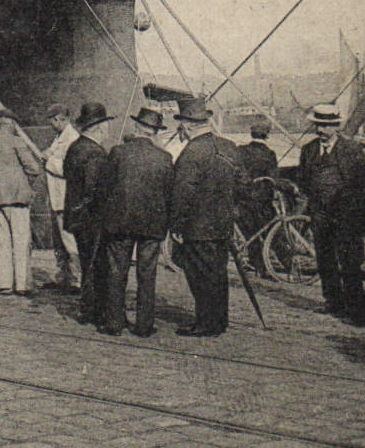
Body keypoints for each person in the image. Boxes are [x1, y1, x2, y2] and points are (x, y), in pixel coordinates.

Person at [170, 97, 244, 337]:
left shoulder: (191, 152)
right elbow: (242, 183)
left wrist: (176, 225)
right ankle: (219, 320)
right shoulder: (229, 146)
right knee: (218, 273)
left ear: (187, 125)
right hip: (223, 224)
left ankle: (205, 323)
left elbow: (182, 192)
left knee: (199, 276)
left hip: (197, 227)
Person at [296, 103, 365, 325]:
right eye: (318, 125)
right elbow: (303, 178)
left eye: (326, 126)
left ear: (335, 127)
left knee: (350, 260)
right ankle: (333, 302)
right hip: (320, 214)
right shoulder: (309, 150)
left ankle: (353, 306)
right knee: (325, 259)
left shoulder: (351, 151)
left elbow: (364, 184)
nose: (321, 130)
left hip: (347, 217)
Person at [99, 107, 172, 336]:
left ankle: (114, 322)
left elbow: (105, 188)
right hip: (152, 225)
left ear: (136, 127)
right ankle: (144, 325)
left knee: (116, 271)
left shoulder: (118, 153)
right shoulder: (164, 158)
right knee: (147, 274)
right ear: (155, 132)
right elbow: (169, 194)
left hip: (120, 223)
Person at [62, 103, 114, 326]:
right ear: (99, 128)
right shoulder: (95, 153)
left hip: (76, 217)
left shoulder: (75, 147)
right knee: (96, 265)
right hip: (91, 218)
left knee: (86, 263)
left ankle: (87, 308)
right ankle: (93, 310)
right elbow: (94, 190)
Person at [0, 108, 44, 297]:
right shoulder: (17, 142)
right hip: (17, 198)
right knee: (20, 240)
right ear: (10, 123)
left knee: (1, 242)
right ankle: (22, 285)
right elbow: (34, 168)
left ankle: (5, 284)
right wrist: (26, 185)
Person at [42, 103, 80, 292]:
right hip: (57, 198)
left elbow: (69, 168)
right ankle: (63, 275)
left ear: (59, 118)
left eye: (52, 120)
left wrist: (48, 159)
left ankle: (76, 278)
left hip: (65, 197)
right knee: (59, 240)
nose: (51, 124)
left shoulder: (72, 139)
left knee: (69, 239)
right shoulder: (60, 138)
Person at [236, 120, 280, 277]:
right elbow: (274, 178)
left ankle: (257, 265)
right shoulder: (269, 154)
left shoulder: (240, 150)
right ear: (267, 135)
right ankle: (275, 265)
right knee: (270, 231)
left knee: (250, 233)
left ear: (251, 134)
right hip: (262, 200)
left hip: (243, 198)